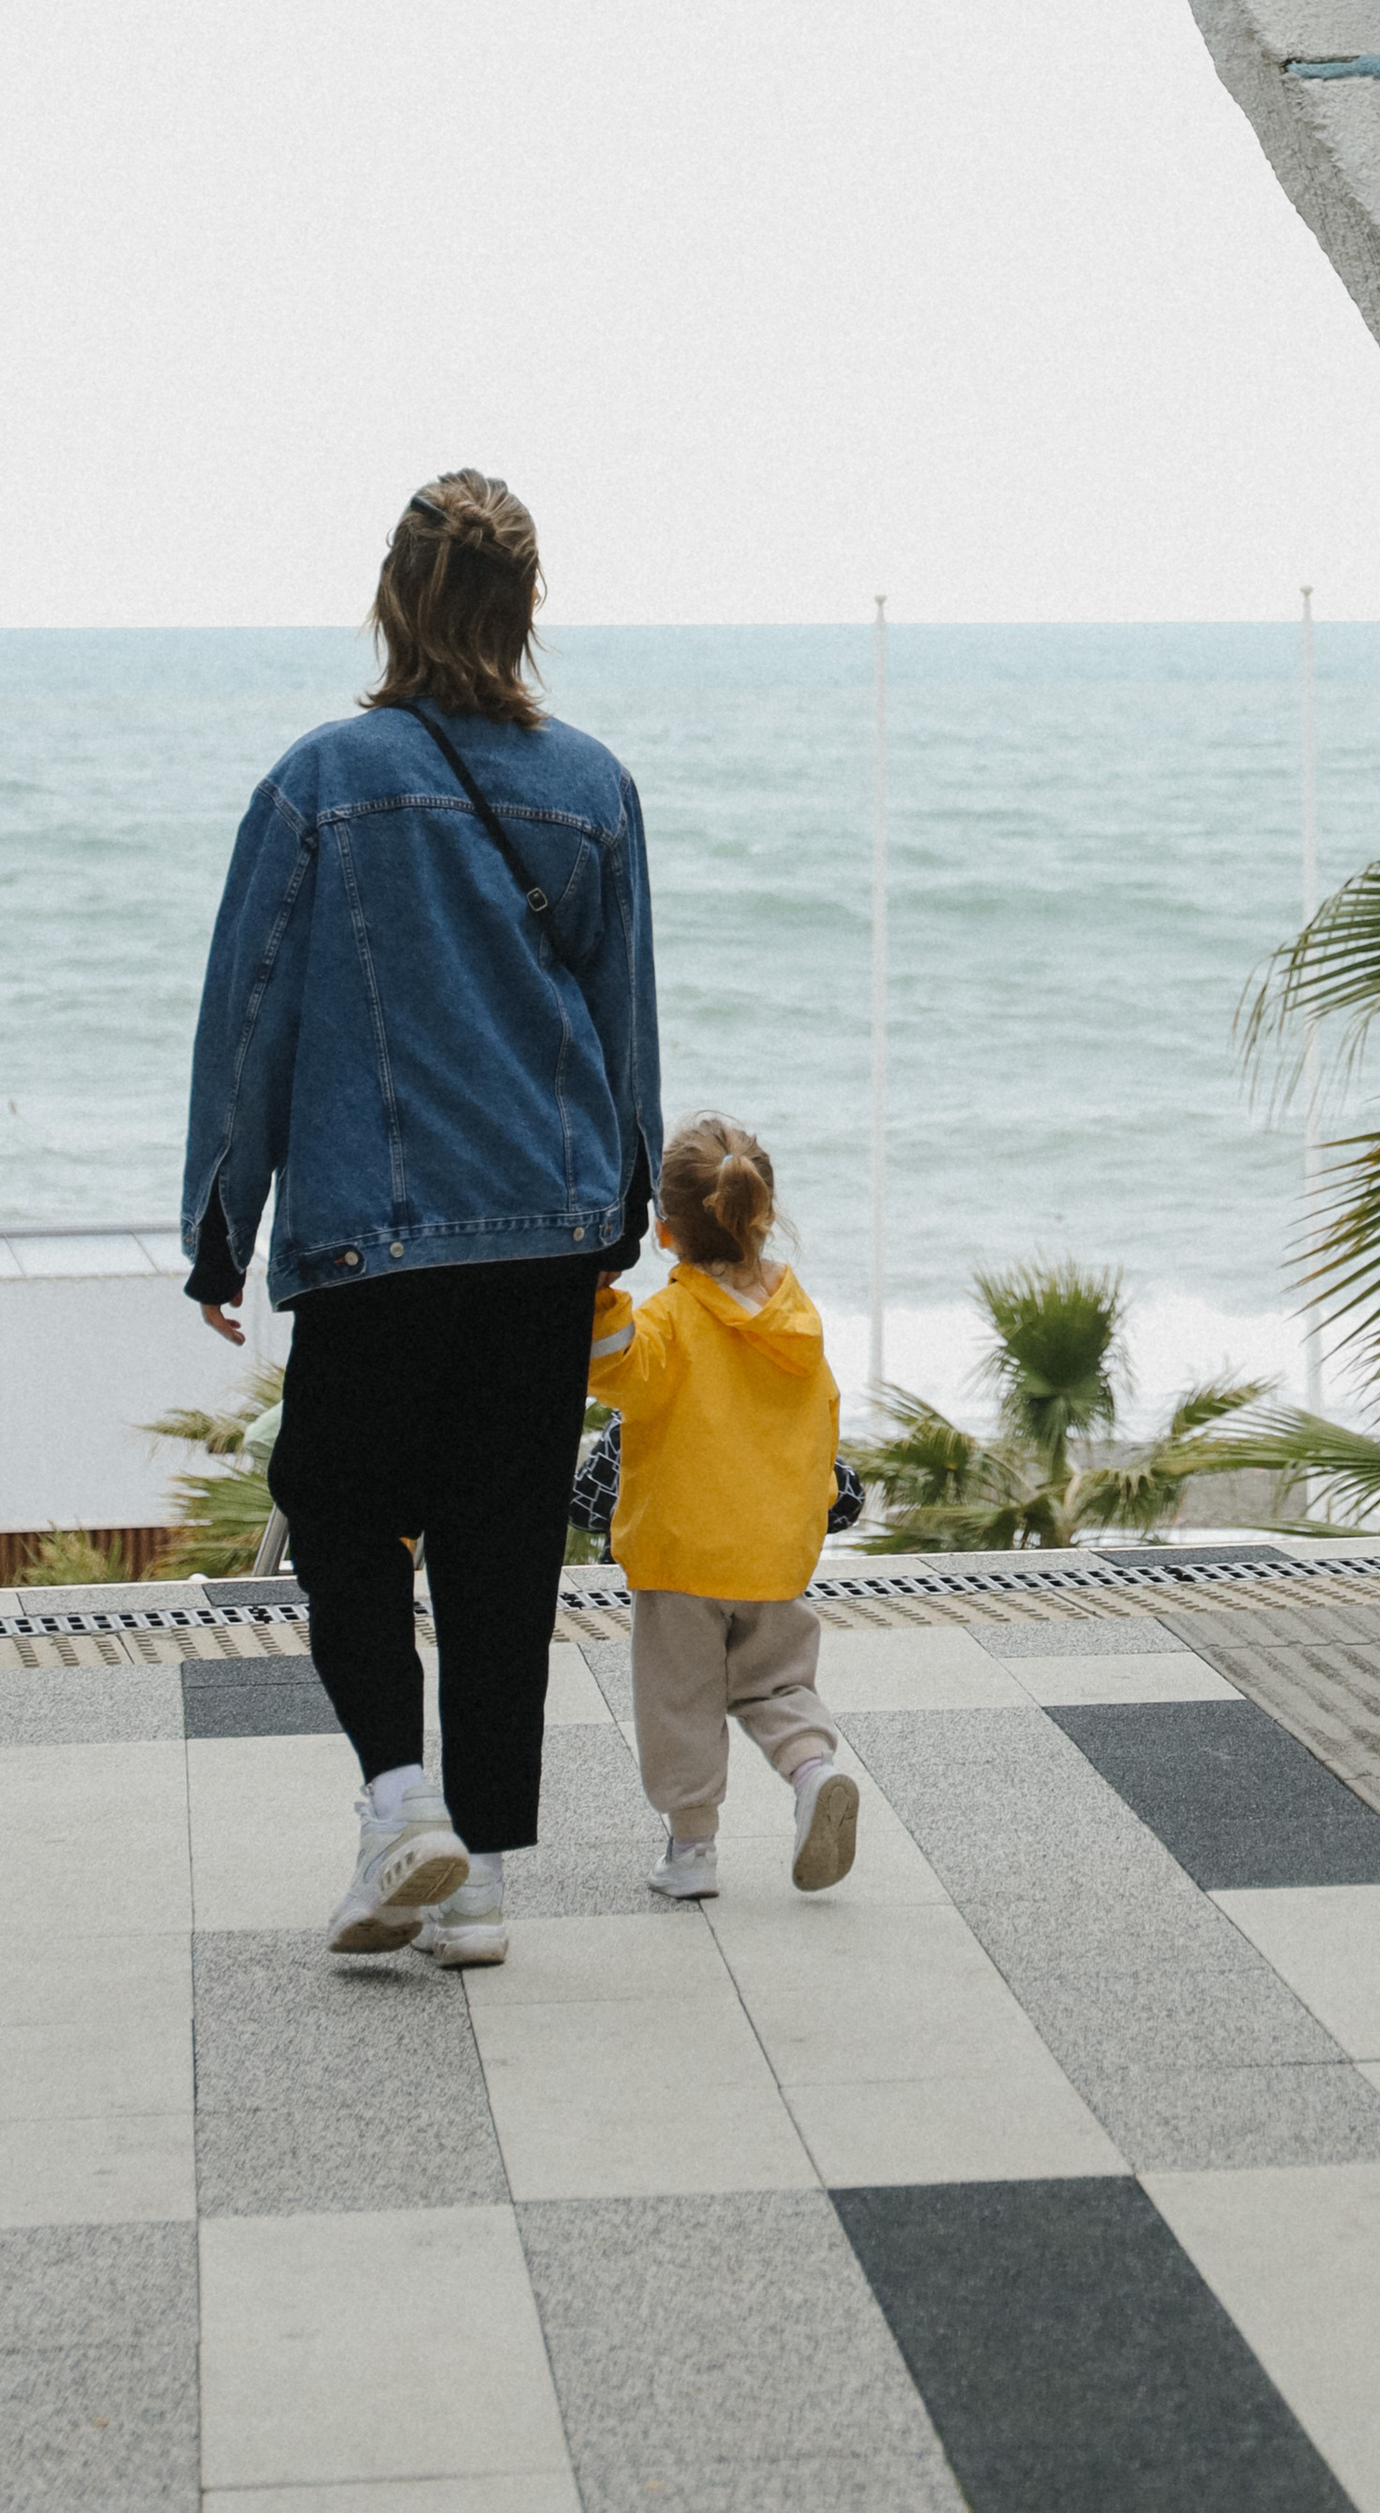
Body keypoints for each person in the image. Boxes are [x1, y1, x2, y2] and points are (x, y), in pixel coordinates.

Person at [183, 472, 661, 1960]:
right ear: (525, 615)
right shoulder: (591, 786)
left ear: (393, 599)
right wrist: (623, 1198)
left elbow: (252, 1012)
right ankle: (490, 1882)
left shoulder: (321, 779)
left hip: (379, 1229)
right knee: (505, 1541)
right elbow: (621, 1017)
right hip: (545, 1223)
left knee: (335, 1507)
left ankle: (403, 1810)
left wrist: (222, 1216)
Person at [583, 1111, 861, 1902]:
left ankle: (693, 1853)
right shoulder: (798, 1320)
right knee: (776, 1686)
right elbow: (825, 1418)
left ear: (664, 1233)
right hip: (774, 1551)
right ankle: (813, 1773)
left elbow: (612, 1373)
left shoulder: (669, 1320)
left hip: (681, 1553)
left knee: (681, 1702)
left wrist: (601, 1294)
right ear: (763, 1216)